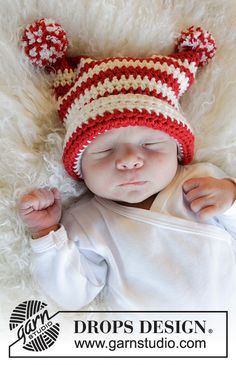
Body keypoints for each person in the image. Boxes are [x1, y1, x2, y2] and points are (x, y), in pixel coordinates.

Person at [19, 19, 236, 310]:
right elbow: (70, 296)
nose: (129, 160)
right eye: (105, 150)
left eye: (150, 145)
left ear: (178, 150)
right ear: (80, 168)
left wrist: (231, 199)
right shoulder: (88, 221)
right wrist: (46, 234)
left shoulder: (200, 182)